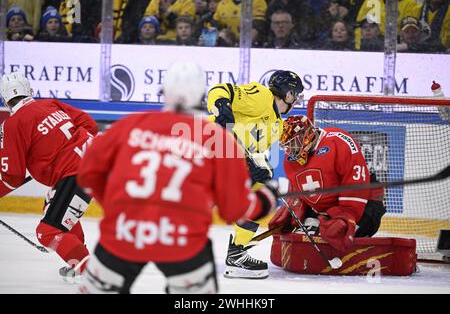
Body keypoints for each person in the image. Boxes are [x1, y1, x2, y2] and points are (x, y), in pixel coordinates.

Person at [76, 61, 279, 294]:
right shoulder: (219, 141)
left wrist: (117, 206)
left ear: (164, 92)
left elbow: (88, 172)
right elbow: (234, 209)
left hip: (123, 233)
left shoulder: (131, 124)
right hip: (182, 241)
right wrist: (266, 199)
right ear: (202, 96)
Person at [0, 72, 98, 279]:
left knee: (48, 232)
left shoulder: (12, 124)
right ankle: (79, 259)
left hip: (76, 173)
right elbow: (91, 125)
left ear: (5, 99)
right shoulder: (50, 103)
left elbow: (13, 175)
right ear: (30, 91)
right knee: (51, 208)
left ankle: (94, 277)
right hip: (92, 162)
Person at [207, 70, 304, 279]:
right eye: (295, 94)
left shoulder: (276, 124)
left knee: (260, 191)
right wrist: (222, 107)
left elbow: (254, 152)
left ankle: (237, 254)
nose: (295, 100)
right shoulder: (261, 97)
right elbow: (220, 90)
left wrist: (264, 170)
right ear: (287, 94)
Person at [268, 115, 386, 252]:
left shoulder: (338, 141)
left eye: (293, 143)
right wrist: (293, 207)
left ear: (307, 135)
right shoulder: (291, 160)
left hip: (364, 204)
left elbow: (356, 183)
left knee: (337, 237)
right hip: (326, 211)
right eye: (286, 146)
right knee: (304, 244)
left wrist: (346, 217)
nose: (290, 150)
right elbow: (302, 191)